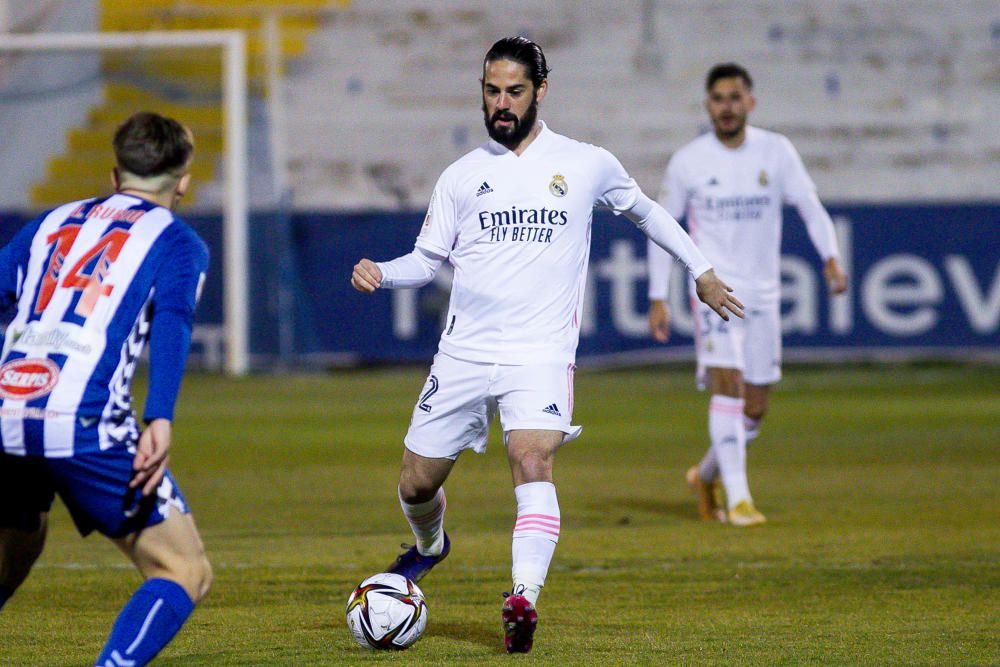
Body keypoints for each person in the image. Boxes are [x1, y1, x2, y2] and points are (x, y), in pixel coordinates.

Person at [351, 37, 743, 654]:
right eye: (491, 91)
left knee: (532, 459)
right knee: (416, 485)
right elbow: (425, 262)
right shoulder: (462, 175)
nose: (501, 104)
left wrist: (701, 269)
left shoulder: (585, 163)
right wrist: (382, 269)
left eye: (513, 91)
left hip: (540, 353)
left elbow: (649, 213)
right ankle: (430, 546)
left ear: (540, 91)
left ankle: (522, 599)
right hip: (463, 354)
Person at [0, 111, 211, 666]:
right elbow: (172, 323)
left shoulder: (48, 224)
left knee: (19, 542)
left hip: (6, 414)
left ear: (117, 175)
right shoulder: (177, 242)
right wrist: (159, 416)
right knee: (183, 570)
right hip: (82, 421)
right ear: (183, 180)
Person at [646, 63, 849, 527]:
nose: (727, 107)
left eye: (735, 98)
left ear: (750, 102)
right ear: (708, 105)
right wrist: (658, 295)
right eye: (718, 99)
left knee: (754, 409)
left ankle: (707, 475)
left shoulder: (776, 152)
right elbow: (662, 228)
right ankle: (738, 500)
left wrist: (831, 256)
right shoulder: (688, 161)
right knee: (728, 386)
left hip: (764, 294)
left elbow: (809, 206)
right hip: (715, 289)